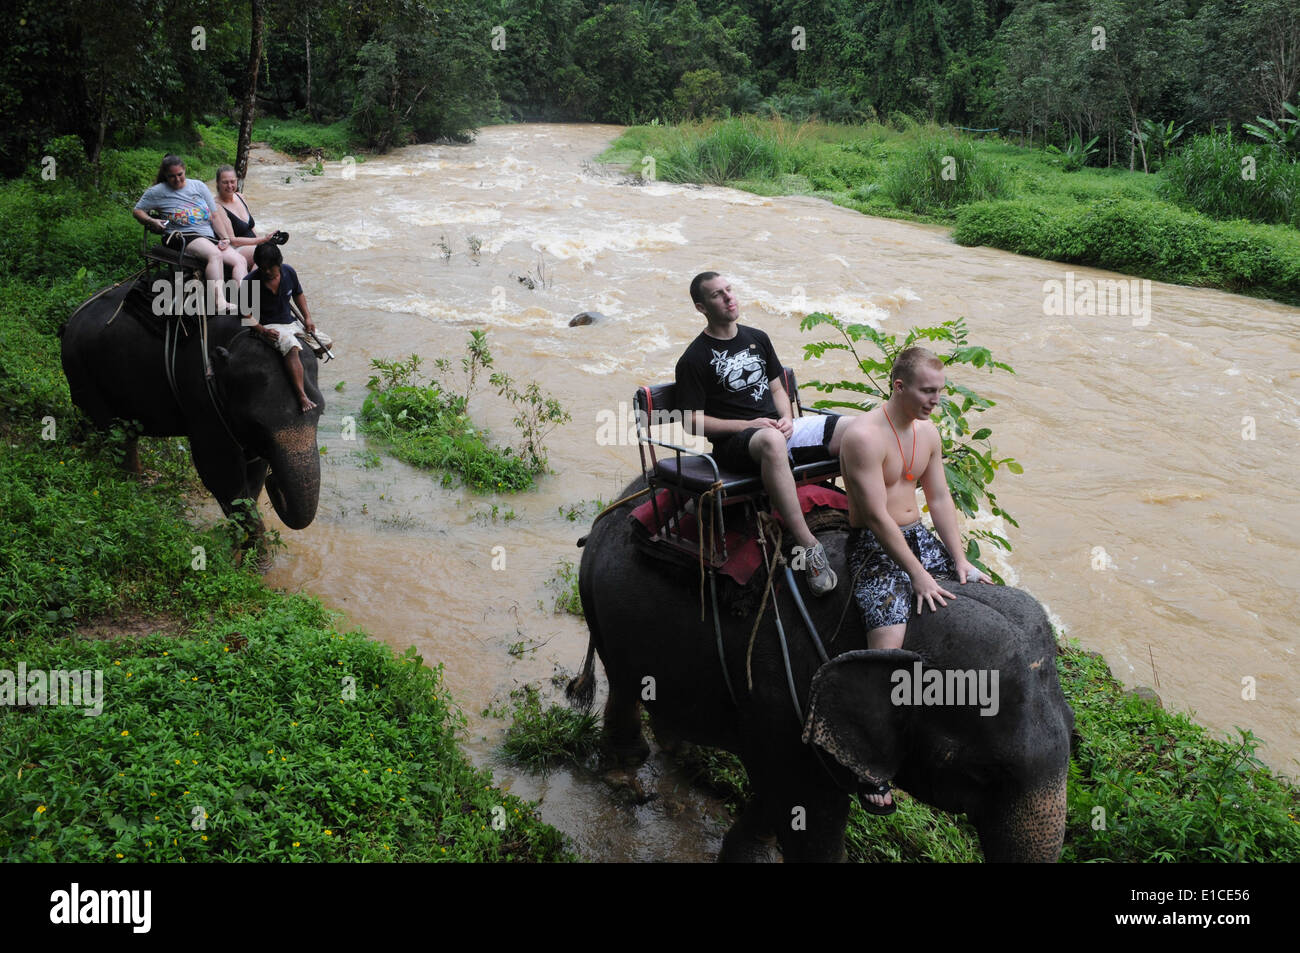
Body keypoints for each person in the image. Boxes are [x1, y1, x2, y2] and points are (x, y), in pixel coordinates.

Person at [837, 345, 993, 809]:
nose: (936, 400)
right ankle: (866, 763)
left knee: (978, 592)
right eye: (928, 391)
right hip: (876, 545)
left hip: (918, 534)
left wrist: (959, 559)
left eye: (940, 391)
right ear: (899, 385)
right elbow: (875, 515)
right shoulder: (863, 437)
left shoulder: (928, 432)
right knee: (887, 651)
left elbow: (940, 498)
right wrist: (919, 575)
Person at [674, 272, 842, 595]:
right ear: (701, 307)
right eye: (717, 295)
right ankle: (808, 547)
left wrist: (787, 418)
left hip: (779, 429)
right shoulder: (694, 359)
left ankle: (870, 524)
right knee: (770, 440)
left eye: (729, 290)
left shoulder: (758, 338)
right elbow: (691, 422)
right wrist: (748, 426)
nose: (728, 297)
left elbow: (778, 387)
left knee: (852, 428)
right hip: (737, 444)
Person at [133, 155, 246, 313]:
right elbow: (137, 211)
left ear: (185, 170)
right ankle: (219, 301)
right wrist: (151, 221)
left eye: (180, 174)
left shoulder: (198, 186)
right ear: (165, 175)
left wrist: (225, 238)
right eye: (172, 176)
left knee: (239, 260)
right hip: (182, 236)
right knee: (215, 255)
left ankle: (243, 300)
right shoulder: (157, 192)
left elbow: (214, 215)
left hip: (207, 236)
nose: (177, 179)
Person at [242, 243, 331, 413]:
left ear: (279, 263)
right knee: (291, 347)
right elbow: (245, 316)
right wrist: (262, 330)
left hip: (290, 322)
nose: (267, 272)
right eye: (263, 268)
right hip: (269, 325)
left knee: (326, 344)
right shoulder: (250, 282)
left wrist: (307, 318)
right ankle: (302, 396)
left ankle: (297, 367)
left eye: (271, 268)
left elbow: (298, 294)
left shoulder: (289, 272)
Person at [213, 164, 286, 266]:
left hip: (252, 244)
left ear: (237, 181)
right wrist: (261, 240)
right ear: (218, 183)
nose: (229, 186)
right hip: (235, 249)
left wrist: (264, 242)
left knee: (272, 251)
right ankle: (251, 282)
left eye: (232, 181)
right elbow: (233, 240)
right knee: (262, 255)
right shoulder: (217, 206)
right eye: (225, 182)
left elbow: (251, 227)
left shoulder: (240, 197)